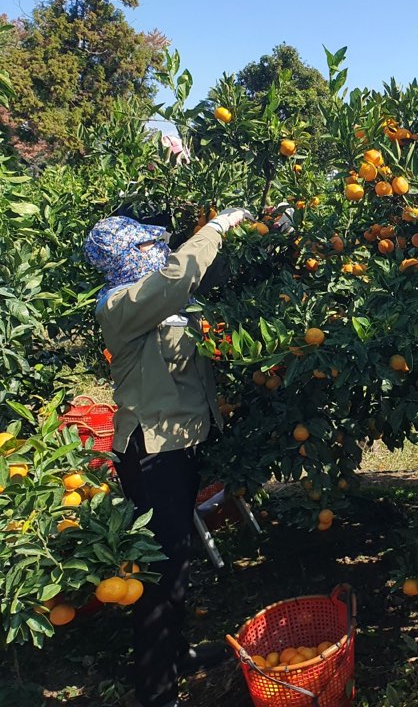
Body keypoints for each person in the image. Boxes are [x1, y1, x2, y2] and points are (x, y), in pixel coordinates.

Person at [84, 207, 251, 707]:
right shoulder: (120, 303)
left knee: (176, 559)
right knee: (162, 572)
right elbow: (177, 276)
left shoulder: (158, 303)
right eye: (140, 248)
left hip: (180, 445)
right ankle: (156, 690)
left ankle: (175, 655)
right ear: (119, 258)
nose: (152, 253)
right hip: (152, 453)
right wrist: (214, 228)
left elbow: (190, 288)